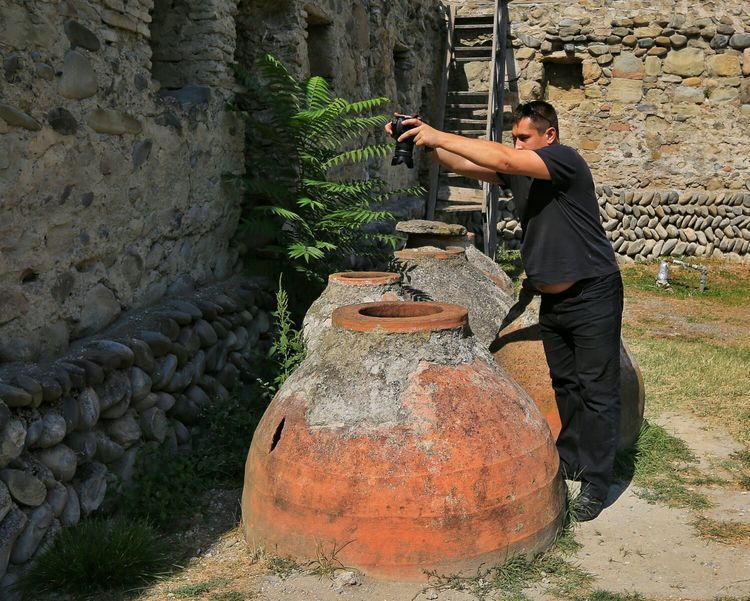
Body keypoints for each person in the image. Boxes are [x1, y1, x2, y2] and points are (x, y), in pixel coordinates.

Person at [386, 101, 623, 522]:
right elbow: (464, 162)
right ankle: (571, 461)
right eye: (515, 137)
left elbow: (501, 157)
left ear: (549, 136)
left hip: (593, 294)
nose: (516, 144)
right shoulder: (521, 172)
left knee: (597, 391)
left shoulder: (565, 161)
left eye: (524, 137)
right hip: (553, 299)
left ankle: (597, 483)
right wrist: (420, 140)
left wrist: (438, 131)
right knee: (566, 384)